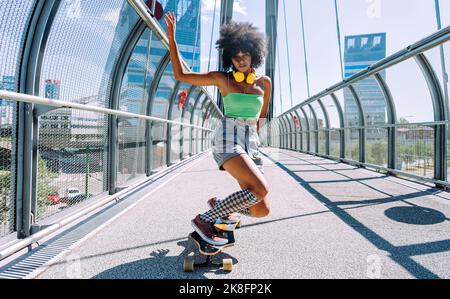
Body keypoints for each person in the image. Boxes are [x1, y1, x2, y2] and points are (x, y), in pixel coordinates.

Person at [164, 11, 272, 246]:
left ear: (255, 54)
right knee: (261, 188)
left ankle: (219, 205)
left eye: (245, 54)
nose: (241, 60)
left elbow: (262, 115)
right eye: (236, 56)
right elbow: (181, 74)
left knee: (262, 209)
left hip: (251, 141)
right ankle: (205, 219)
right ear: (229, 59)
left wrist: (256, 139)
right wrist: (172, 39)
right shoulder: (222, 79)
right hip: (228, 136)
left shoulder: (264, 83)